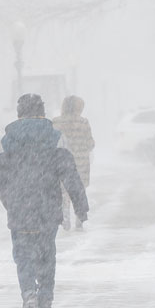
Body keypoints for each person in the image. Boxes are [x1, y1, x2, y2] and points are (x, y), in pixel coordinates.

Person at [0, 93, 89, 308]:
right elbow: (70, 174)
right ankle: (45, 303)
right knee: (46, 255)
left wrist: (10, 199)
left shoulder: (7, 140)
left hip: (20, 209)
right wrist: (80, 206)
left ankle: (28, 294)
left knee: (23, 255)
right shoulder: (55, 137)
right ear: (42, 112)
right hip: (47, 207)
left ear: (19, 112)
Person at [51, 95, 95, 230]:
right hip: (79, 163)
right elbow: (90, 143)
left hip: (61, 162)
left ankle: (65, 219)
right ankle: (79, 220)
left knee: (63, 192)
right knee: (78, 191)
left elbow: (52, 143)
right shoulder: (83, 123)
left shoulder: (55, 122)